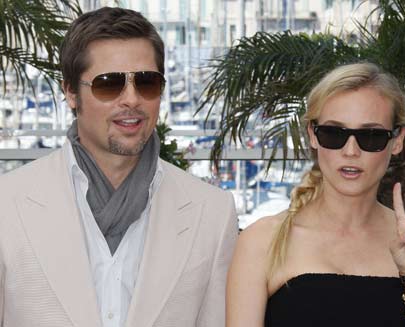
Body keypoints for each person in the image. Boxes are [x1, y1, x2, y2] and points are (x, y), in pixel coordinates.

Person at [0, 7, 238, 327]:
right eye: (109, 84)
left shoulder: (213, 213)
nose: (132, 99)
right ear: (71, 92)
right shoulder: (7, 205)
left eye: (147, 82)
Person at [226, 62, 405, 327]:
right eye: (334, 134)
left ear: (397, 140)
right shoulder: (261, 242)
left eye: (370, 136)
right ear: (312, 135)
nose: (351, 151)